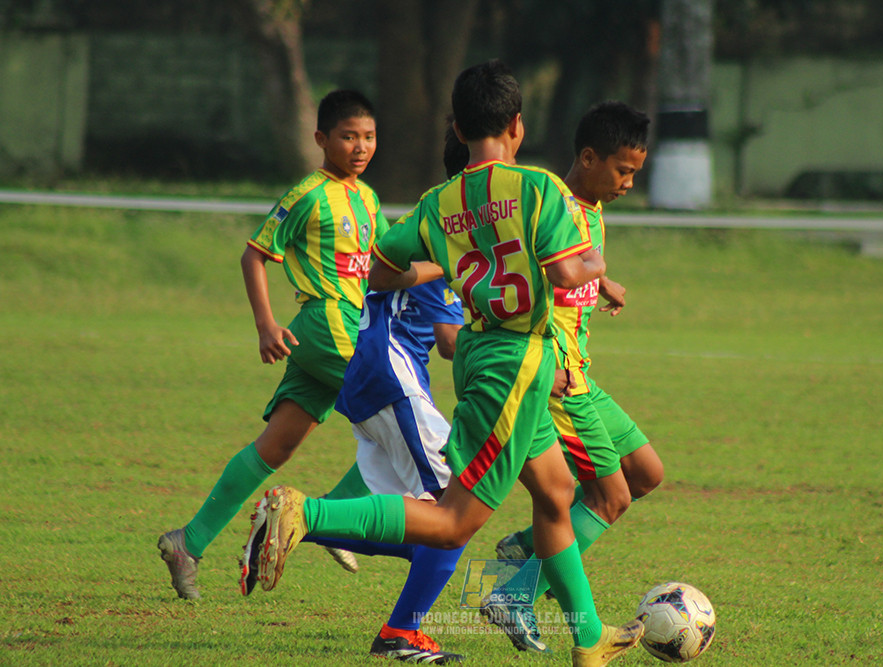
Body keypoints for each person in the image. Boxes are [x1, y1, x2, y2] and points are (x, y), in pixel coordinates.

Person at [249, 60, 644, 667]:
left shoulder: (440, 201)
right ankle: (307, 511)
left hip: (489, 354)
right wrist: (596, 268)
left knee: (558, 493)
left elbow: (381, 270)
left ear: (458, 127)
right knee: (456, 521)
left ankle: (589, 639)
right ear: (516, 124)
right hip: (515, 363)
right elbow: (568, 273)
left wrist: (448, 266)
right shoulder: (537, 187)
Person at [238, 126, 471, 665]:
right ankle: (401, 633)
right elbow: (449, 341)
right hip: (391, 377)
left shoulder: (432, 216)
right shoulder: (453, 228)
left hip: (370, 375)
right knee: (457, 511)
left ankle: (305, 521)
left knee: (422, 527)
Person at [157, 89, 388, 600]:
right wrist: (265, 324)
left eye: (368, 137)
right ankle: (338, 518)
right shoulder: (308, 193)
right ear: (321, 139)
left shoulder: (368, 198)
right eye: (348, 136)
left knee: (277, 447)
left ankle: (187, 543)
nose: (360, 147)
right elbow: (254, 254)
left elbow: (384, 263)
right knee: (398, 417)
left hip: (345, 327)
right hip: (325, 322)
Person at [483, 101, 665, 653]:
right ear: (588, 158)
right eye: (623, 170)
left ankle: (523, 546)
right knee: (611, 498)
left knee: (646, 472)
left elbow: (574, 270)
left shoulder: (590, 205)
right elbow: (532, 274)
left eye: (636, 172)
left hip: (584, 374)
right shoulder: (551, 205)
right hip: (559, 379)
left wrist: (600, 284)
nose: (629, 183)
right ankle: (514, 594)